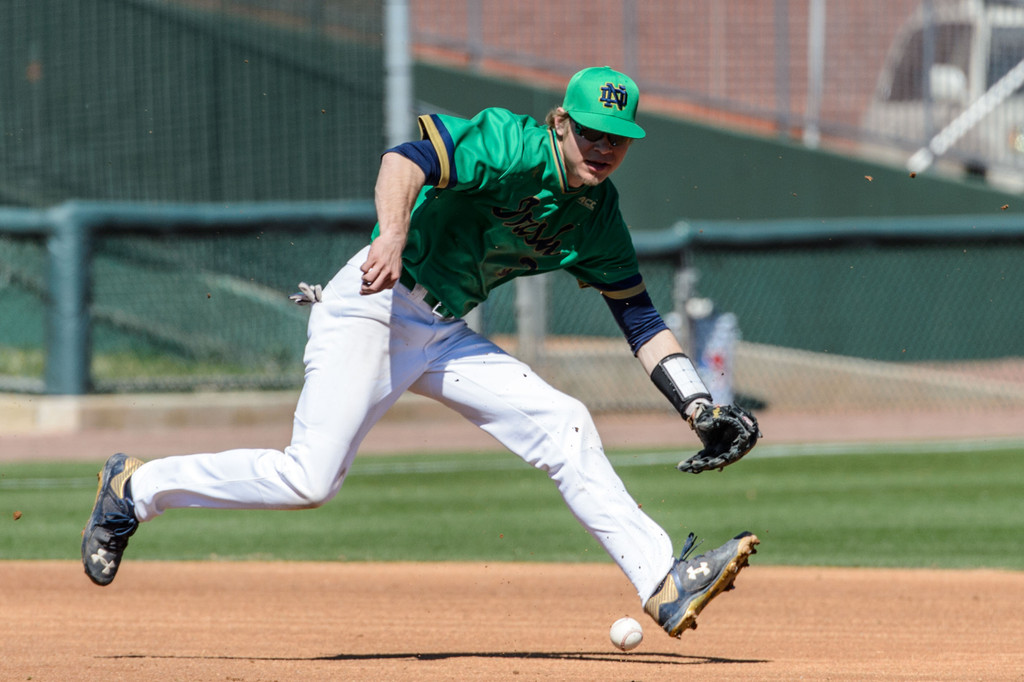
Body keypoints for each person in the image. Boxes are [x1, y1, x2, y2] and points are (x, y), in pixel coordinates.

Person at [82, 66, 761, 638]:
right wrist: (394, 233)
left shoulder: (598, 215)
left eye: (616, 137)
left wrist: (700, 406)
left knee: (563, 421)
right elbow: (405, 160)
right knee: (310, 480)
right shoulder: (510, 143)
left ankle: (662, 580)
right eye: (589, 130)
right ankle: (133, 488)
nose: (602, 145)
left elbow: (639, 317)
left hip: (440, 332)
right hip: (374, 301)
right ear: (559, 122)